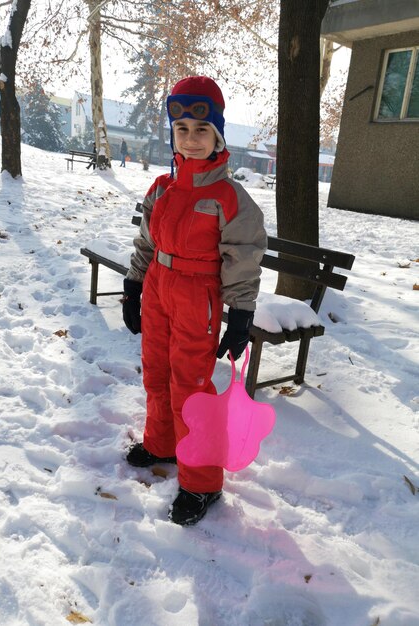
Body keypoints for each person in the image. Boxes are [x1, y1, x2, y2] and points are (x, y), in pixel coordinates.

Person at [122, 76, 267, 526]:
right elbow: (147, 241)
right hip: (158, 290)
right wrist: (133, 284)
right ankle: (161, 441)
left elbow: (243, 260)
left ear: (218, 135)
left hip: (197, 298)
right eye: (181, 129)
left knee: (190, 387)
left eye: (200, 130)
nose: (190, 138)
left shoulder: (230, 198)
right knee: (158, 371)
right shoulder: (162, 188)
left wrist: (240, 315)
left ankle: (201, 483)